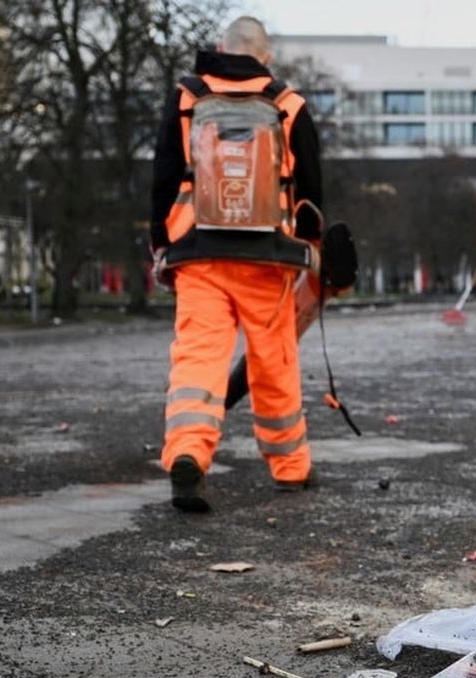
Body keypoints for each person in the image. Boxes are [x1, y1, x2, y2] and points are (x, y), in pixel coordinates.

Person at [150, 16, 324, 512]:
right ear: (264, 58)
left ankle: (187, 452)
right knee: (274, 361)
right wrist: (309, 249)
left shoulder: (187, 97)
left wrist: (159, 239)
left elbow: (162, 174)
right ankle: (290, 468)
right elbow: (312, 189)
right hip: (267, 259)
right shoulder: (288, 104)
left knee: (198, 358)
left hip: (199, 252)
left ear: (220, 48)